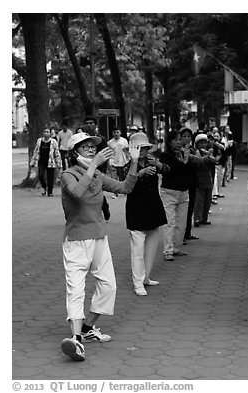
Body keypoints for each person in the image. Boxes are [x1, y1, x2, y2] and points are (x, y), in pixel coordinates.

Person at [59, 132, 140, 361]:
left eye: (93, 147)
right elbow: (76, 193)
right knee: (76, 288)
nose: (92, 149)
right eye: (86, 147)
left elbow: (126, 188)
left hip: (99, 239)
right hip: (76, 240)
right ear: (75, 152)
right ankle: (75, 340)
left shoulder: (98, 176)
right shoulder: (68, 175)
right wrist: (93, 165)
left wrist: (133, 162)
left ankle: (87, 329)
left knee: (109, 286)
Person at [125, 132, 168, 296]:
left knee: (152, 247)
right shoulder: (129, 165)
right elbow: (123, 184)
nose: (141, 150)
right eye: (137, 147)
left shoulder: (152, 162)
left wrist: (157, 165)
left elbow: (168, 171)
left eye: (143, 147)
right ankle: (138, 283)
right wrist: (140, 173)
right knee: (137, 250)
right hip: (136, 210)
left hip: (153, 208)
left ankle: (146, 277)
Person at [159, 130, 191, 261]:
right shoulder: (165, 156)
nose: (179, 142)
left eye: (180, 139)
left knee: (181, 222)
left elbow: (189, 171)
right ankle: (168, 250)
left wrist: (186, 159)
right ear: (169, 142)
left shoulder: (183, 154)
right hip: (169, 192)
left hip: (183, 192)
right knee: (170, 222)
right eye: (176, 140)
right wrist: (185, 161)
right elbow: (171, 171)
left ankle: (176, 247)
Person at [193, 133, 218, 227]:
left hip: (208, 178)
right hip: (199, 180)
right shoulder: (195, 152)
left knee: (207, 201)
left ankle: (204, 218)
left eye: (205, 143)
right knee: (199, 201)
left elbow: (215, 161)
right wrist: (207, 157)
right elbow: (198, 161)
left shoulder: (207, 152)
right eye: (201, 143)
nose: (203, 145)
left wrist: (210, 156)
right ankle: (197, 218)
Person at [180, 128, 199, 242]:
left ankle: (187, 232)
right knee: (182, 211)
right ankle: (180, 235)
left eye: (188, 136)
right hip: (182, 183)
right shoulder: (178, 151)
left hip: (193, 182)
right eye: (184, 136)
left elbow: (198, 163)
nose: (186, 138)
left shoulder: (193, 150)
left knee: (190, 208)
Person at [30, 128, 62, 196]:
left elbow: (57, 153)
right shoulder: (39, 141)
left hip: (51, 162)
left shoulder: (53, 142)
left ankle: (50, 192)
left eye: (47, 132)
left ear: (50, 134)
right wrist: (33, 161)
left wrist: (58, 163)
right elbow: (36, 151)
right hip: (41, 161)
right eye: (45, 132)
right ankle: (44, 188)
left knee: (50, 177)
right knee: (41, 175)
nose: (46, 133)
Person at [108, 128, 130, 198]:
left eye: (117, 132)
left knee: (122, 178)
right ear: (112, 133)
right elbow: (109, 152)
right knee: (114, 179)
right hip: (113, 162)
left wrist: (128, 159)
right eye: (114, 132)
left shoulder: (124, 141)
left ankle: (125, 191)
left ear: (120, 133)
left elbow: (127, 151)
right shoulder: (110, 142)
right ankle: (115, 193)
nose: (116, 134)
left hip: (123, 162)